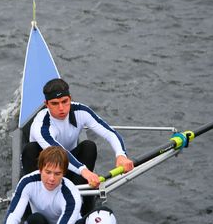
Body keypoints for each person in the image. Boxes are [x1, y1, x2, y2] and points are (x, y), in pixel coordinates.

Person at [22, 78, 134, 214]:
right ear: (46, 104)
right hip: (46, 172)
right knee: (30, 149)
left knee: (89, 146)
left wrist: (121, 155)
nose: (61, 108)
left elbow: (109, 132)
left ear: (70, 99)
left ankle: (84, 208)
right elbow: (59, 152)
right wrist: (85, 172)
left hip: (70, 169)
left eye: (65, 101)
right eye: (55, 103)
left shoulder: (81, 111)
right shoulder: (41, 125)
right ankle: (32, 207)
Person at [0, 146, 86, 224]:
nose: (51, 179)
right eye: (48, 172)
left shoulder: (71, 195)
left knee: (91, 220)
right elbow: (14, 215)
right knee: (34, 219)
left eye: (57, 174)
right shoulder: (27, 183)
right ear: (40, 169)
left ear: (64, 173)